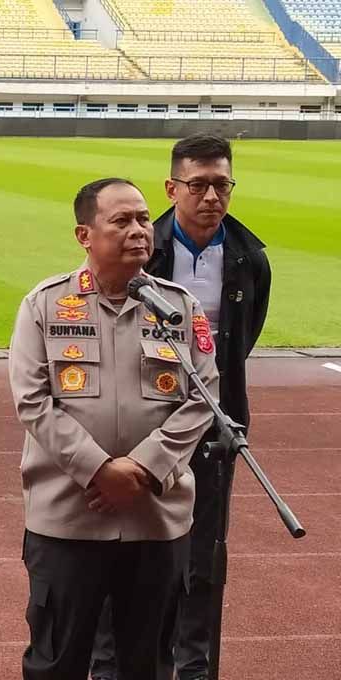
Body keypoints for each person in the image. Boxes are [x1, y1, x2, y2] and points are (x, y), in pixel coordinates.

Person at [8, 178, 218, 680]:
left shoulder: (178, 307)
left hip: (154, 519)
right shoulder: (45, 304)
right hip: (69, 519)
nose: (138, 231)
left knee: (145, 663)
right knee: (56, 663)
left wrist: (142, 470)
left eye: (144, 219)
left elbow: (204, 397)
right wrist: (101, 470)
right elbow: (33, 401)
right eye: (121, 221)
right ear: (85, 234)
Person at [91, 135, 272, 680]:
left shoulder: (250, 258)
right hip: (142, 426)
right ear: (172, 188)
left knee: (203, 558)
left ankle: (193, 668)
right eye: (198, 184)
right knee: (126, 547)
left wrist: (211, 401)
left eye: (222, 184)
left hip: (214, 426)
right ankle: (112, 663)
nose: (211, 196)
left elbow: (238, 345)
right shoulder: (144, 245)